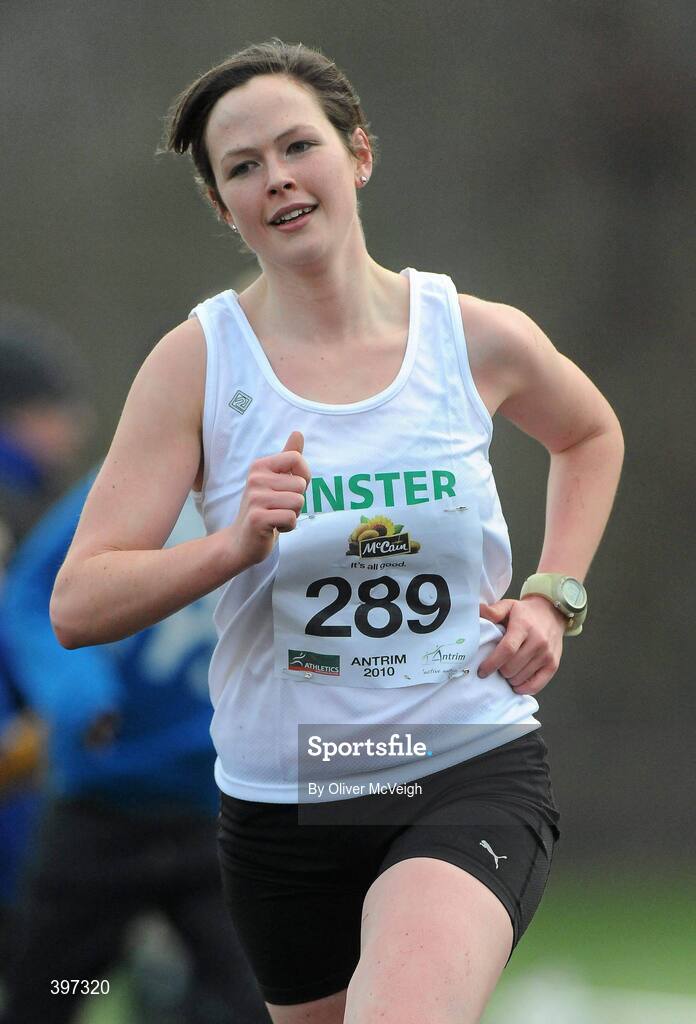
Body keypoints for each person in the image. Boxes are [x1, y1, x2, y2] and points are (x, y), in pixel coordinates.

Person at [49, 41, 624, 1024]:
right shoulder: (197, 364)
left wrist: (552, 592)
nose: (276, 177)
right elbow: (78, 602)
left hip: (464, 765)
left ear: (357, 154)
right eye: (242, 167)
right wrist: (230, 546)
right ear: (223, 207)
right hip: (286, 807)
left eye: (296, 145)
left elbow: (591, 432)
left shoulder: (471, 335)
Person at [0, 473, 271, 1023]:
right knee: (52, 991)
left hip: (226, 817)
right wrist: (76, 693)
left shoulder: (295, 491)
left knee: (259, 1000)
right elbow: (31, 595)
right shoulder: (132, 484)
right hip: (103, 812)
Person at [0, 308, 87, 974]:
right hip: (19, 786)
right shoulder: (25, 510)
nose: (75, 428)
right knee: (50, 975)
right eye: (56, 410)